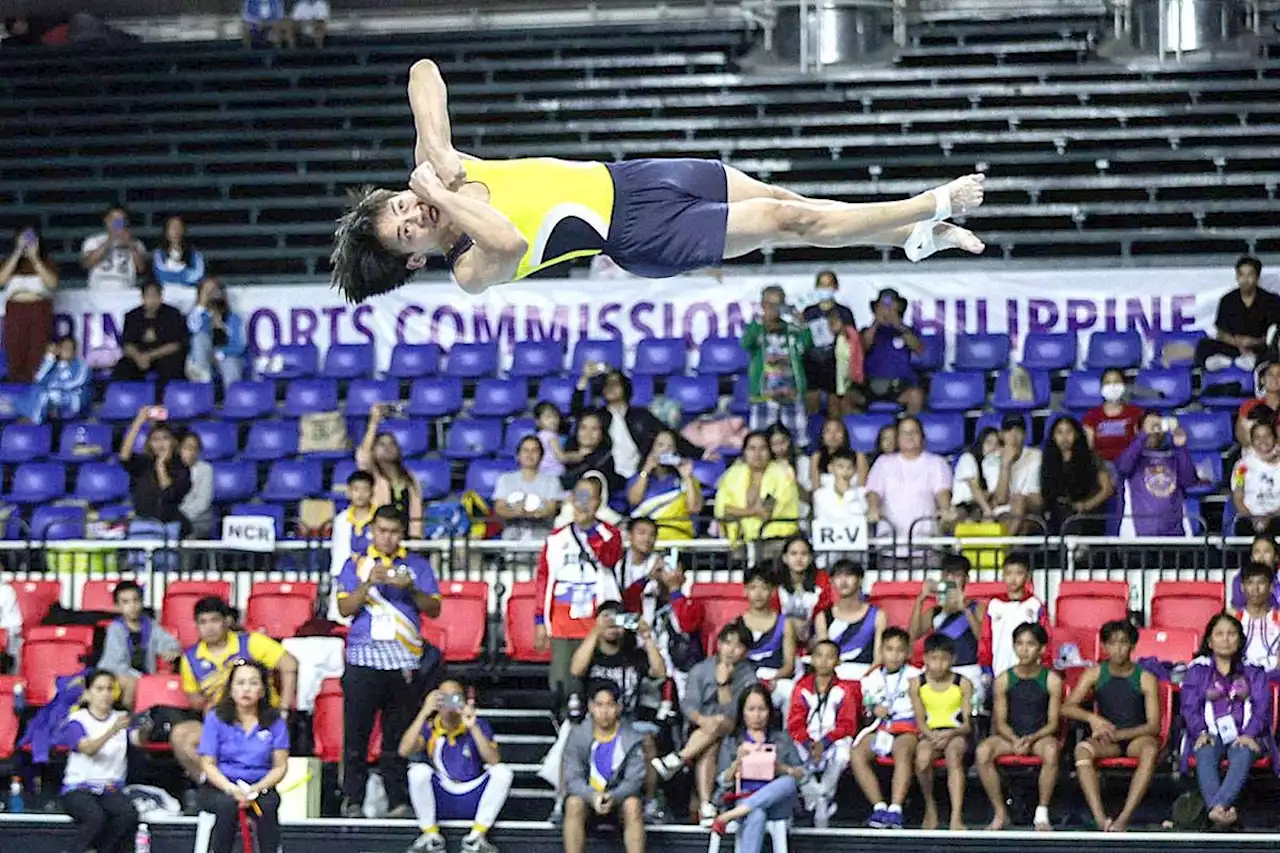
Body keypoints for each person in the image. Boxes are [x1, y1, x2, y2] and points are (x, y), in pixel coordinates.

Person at [330, 61, 986, 300]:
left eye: (399, 205)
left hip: (639, 177)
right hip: (641, 235)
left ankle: (912, 234)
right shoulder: (469, 268)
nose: (413, 210)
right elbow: (502, 236)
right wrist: (445, 186)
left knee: (790, 201)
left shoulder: (442, 166)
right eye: (406, 228)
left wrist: (440, 149)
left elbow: (423, 71)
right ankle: (931, 201)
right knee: (792, 224)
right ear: (414, 255)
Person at [336, 505, 443, 819]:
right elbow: (344, 609)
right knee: (356, 734)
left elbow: (434, 609)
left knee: (397, 736)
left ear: (402, 533)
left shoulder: (417, 565)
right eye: (382, 530)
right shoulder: (355, 564)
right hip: (362, 660)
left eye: (394, 531)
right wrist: (368, 584)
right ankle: (352, 799)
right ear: (372, 530)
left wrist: (410, 588)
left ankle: (398, 799)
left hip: (403, 661)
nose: (387, 537)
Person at [171, 598, 298, 806]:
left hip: (260, 720)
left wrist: (283, 708)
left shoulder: (251, 642)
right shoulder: (191, 658)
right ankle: (209, 787)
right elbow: (195, 703)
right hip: (224, 723)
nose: (209, 627)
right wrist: (219, 686)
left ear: (226, 621)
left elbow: (289, 664)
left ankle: (251, 789)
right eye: (203, 622)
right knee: (181, 736)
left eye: (214, 620)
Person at [533, 475, 624, 712]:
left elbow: (610, 557)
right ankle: (564, 729)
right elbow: (544, 579)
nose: (581, 503)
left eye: (588, 497)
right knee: (562, 681)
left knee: (596, 680)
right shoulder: (555, 538)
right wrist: (540, 620)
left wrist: (589, 529)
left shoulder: (609, 534)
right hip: (563, 619)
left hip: (596, 619)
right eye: (578, 496)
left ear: (597, 502)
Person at [1061, 620, 1161, 832]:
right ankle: (1100, 818)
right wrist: (1092, 719)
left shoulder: (1145, 678)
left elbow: (1153, 726)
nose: (1118, 648)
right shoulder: (1095, 673)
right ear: (1104, 647)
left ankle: (1124, 817)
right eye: (1112, 643)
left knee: (1150, 750)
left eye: (1124, 642)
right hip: (1108, 740)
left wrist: (1122, 734)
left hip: (1136, 738)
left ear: (1133, 646)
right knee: (1082, 750)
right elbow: (1067, 708)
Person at [652, 622, 756, 824]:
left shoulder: (748, 676)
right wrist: (703, 720)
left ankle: (677, 759)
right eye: (727, 643)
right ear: (718, 644)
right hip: (698, 730)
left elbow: (736, 715)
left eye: (738, 646)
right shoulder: (700, 669)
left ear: (745, 651)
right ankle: (706, 805)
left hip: (734, 730)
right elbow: (688, 704)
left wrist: (723, 684)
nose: (731, 650)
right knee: (711, 743)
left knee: (719, 724)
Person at [1179, 613, 1276, 829]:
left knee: (1243, 750)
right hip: (1208, 732)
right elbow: (1189, 706)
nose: (1225, 639)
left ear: (1240, 640)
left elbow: (1262, 707)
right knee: (1205, 749)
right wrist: (1200, 731)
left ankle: (1216, 808)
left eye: (1231, 634)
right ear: (1210, 641)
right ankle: (1222, 810)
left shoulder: (1254, 670)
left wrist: (1250, 734)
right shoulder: (1199, 670)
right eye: (1220, 634)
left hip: (1247, 734)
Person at [400, 680, 512, 853]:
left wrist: (473, 727)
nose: (450, 703)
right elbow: (404, 751)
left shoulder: (478, 724)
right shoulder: (430, 727)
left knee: (503, 772)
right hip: (442, 795)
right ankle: (431, 837)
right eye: (444, 698)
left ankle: (476, 838)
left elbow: (494, 760)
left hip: (472, 794)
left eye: (455, 697)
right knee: (417, 771)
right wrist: (424, 712)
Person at [974, 622, 1062, 831]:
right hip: (1010, 737)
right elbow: (1000, 721)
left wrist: (1031, 739)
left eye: (1030, 644)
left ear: (1041, 649)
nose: (1024, 649)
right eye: (1019, 644)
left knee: (1051, 751)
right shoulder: (1004, 679)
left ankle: (1042, 813)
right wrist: (1014, 739)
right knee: (983, 751)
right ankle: (1000, 813)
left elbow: (1053, 723)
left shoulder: (1051, 680)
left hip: (1039, 737)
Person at [196, 660, 289, 853]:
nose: (246, 689)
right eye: (240, 683)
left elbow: (280, 766)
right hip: (220, 786)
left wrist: (256, 788)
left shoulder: (275, 721)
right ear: (230, 689)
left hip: (259, 787)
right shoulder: (216, 718)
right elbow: (208, 764)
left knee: (268, 807)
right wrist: (231, 789)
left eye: (253, 683)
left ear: (263, 690)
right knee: (227, 806)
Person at [56, 669, 143, 853]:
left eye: (110, 689)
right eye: (99, 689)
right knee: (95, 817)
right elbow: (87, 749)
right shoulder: (76, 721)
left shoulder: (122, 719)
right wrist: (112, 730)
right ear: (87, 694)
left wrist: (148, 727)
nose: (105, 694)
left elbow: (137, 739)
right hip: (79, 789)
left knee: (128, 815)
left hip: (110, 789)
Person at [710, 684, 804, 847]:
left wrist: (781, 768)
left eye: (762, 709)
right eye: (751, 709)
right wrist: (736, 764)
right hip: (742, 796)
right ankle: (742, 809)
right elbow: (721, 780)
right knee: (757, 813)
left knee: (788, 782)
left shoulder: (782, 739)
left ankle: (731, 815)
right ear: (743, 712)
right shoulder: (733, 741)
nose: (757, 715)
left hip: (776, 805)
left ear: (770, 711)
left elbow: (802, 775)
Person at [573, 368, 702, 482]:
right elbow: (577, 412)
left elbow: (668, 433)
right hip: (607, 473)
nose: (610, 388)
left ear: (625, 388)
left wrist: (701, 454)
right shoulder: (599, 416)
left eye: (615, 384)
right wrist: (584, 378)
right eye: (607, 385)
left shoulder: (641, 415)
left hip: (638, 473)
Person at [562, 682, 647, 853]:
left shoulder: (632, 738)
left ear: (619, 707)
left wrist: (613, 797)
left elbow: (634, 780)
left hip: (619, 799)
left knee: (633, 805)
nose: (604, 711)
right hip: (587, 798)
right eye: (599, 705)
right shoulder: (577, 736)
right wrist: (592, 796)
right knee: (573, 803)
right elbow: (572, 777)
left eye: (610, 705)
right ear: (591, 707)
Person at [850, 627, 920, 829]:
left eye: (900, 650)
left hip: (907, 727)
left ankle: (896, 808)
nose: (895, 655)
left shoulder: (916, 675)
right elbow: (866, 710)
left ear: (907, 653)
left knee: (902, 750)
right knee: (857, 753)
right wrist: (873, 710)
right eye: (889, 649)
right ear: (881, 651)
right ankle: (879, 806)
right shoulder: (870, 679)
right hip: (880, 728)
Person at [785, 640, 857, 827]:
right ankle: (816, 799)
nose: (824, 661)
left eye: (830, 656)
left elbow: (847, 725)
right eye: (819, 655)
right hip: (805, 739)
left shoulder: (843, 690)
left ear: (838, 661)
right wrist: (809, 743)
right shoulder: (801, 688)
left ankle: (823, 795)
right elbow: (794, 723)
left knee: (842, 756)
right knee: (791, 755)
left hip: (833, 739)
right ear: (812, 659)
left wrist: (825, 742)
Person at [909, 633, 973, 830]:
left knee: (953, 755)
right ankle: (930, 807)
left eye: (944, 659)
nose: (938, 665)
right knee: (922, 760)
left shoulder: (962, 683)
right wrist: (932, 736)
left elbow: (967, 724)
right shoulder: (916, 684)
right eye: (934, 659)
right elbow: (920, 721)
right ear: (925, 659)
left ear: (953, 660)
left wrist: (950, 734)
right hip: (930, 733)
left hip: (956, 734)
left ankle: (956, 816)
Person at [742, 285, 813, 443]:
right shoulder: (756, 328)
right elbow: (745, 344)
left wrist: (802, 324)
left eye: (779, 304)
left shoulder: (791, 329)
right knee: (760, 440)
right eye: (771, 304)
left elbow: (807, 345)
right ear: (763, 305)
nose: (775, 309)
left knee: (797, 439)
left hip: (790, 394)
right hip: (764, 395)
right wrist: (762, 323)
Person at [865, 416, 956, 537]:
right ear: (897, 438)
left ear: (922, 436)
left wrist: (945, 510)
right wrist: (873, 508)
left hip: (925, 539)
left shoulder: (936, 463)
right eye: (904, 432)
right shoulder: (883, 463)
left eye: (914, 432)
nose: (909, 436)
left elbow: (942, 491)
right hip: (889, 540)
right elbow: (874, 492)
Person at [909, 553, 983, 701]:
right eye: (946, 575)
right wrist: (920, 600)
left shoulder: (976, 608)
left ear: (966, 579)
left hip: (967, 670)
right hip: (938, 672)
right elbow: (913, 634)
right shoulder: (934, 612)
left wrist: (965, 610)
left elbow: (982, 637)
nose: (950, 579)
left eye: (956, 575)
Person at [97, 581, 181, 708]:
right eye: (125, 602)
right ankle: (127, 719)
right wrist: (142, 679)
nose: (132, 606)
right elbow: (117, 665)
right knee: (131, 683)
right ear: (117, 606)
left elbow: (168, 641)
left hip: (143, 676)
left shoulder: (150, 625)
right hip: (114, 674)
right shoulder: (115, 628)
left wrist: (171, 650)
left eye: (136, 600)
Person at [713, 431, 801, 546]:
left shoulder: (783, 473)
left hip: (776, 539)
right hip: (739, 540)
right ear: (744, 452)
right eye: (752, 449)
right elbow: (722, 511)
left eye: (762, 448)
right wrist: (754, 511)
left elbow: (767, 512)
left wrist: (738, 512)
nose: (757, 454)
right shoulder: (732, 474)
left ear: (770, 451)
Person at [1115, 412, 1196, 536]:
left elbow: (1188, 480)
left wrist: (1181, 447)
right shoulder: (1134, 457)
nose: (1154, 432)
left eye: (1158, 426)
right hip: (1137, 535)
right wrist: (1143, 435)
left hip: (1173, 535)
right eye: (1151, 426)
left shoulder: (1174, 456)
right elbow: (1123, 467)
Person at [1197, 256, 1280, 372]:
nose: (1245, 280)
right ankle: (1225, 361)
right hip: (1233, 345)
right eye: (1241, 275)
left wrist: (1253, 342)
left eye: (1250, 275)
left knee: (1271, 350)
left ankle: (1248, 361)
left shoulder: (1271, 300)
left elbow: (1275, 333)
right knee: (1204, 345)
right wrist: (1238, 344)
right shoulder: (1228, 300)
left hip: (1259, 347)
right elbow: (1221, 332)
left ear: (1257, 277)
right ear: (1237, 276)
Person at [978, 552, 1051, 679]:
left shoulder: (1035, 605)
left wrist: (1046, 665)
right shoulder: (994, 605)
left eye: (1019, 573)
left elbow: (1046, 638)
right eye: (1008, 573)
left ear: (1028, 576)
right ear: (1003, 576)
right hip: (999, 669)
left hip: (1031, 673)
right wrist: (986, 668)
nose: (1013, 578)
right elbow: (985, 638)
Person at [357, 405, 426, 538]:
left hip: (407, 538)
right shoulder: (372, 475)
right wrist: (374, 422)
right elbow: (363, 456)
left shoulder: (409, 477)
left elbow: (416, 511)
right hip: (382, 537)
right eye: (382, 444)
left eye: (392, 444)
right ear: (374, 450)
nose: (388, 448)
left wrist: (416, 538)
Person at [120, 411, 192, 534]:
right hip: (142, 525)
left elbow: (169, 493)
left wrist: (160, 466)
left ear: (173, 442)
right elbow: (124, 456)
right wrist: (139, 420)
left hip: (169, 526)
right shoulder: (143, 463)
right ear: (149, 443)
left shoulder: (181, 468)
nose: (160, 444)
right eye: (155, 439)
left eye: (165, 438)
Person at [1, 225, 58, 381]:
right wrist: (18, 252)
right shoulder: (10, 262)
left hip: (38, 309)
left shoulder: (46, 262)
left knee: (37, 350)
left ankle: (34, 388)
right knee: (14, 349)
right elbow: (1, 280)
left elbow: (52, 283)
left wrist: (34, 257)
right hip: (15, 310)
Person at [626, 428, 703, 541]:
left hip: (679, 539)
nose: (665, 450)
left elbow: (694, 508)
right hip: (646, 540)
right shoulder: (638, 478)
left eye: (670, 446)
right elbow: (634, 500)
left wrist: (687, 477)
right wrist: (646, 470)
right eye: (660, 445)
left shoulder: (687, 479)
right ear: (651, 449)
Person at [112, 280, 189, 392]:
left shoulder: (173, 314)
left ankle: (164, 401)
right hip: (139, 356)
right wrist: (138, 357)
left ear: (161, 297)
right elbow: (127, 344)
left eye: (155, 296)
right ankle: (128, 400)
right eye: (149, 296)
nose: (152, 300)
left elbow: (176, 344)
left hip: (163, 355)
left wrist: (150, 356)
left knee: (172, 366)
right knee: (123, 367)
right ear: (142, 298)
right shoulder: (132, 316)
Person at [1041, 416, 1113, 535]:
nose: (1064, 437)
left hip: (1088, 512)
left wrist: (1086, 505)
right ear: (1053, 437)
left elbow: (1107, 489)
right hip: (1059, 513)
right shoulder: (1048, 461)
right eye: (1060, 432)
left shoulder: (1090, 458)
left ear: (1076, 434)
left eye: (1068, 432)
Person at [814, 559, 885, 681]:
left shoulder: (878, 615)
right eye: (838, 576)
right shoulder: (823, 617)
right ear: (831, 581)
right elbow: (823, 657)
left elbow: (878, 658)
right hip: (833, 676)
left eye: (849, 575)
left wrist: (864, 678)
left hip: (866, 674)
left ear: (860, 580)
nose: (843, 581)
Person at [738, 567, 798, 708]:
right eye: (753, 587)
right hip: (745, 679)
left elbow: (789, 666)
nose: (758, 594)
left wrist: (772, 679)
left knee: (791, 692)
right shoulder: (736, 624)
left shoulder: (785, 624)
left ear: (772, 591)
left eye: (764, 588)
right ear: (745, 590)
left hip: (775, 679)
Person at [862, 288, 926, 413]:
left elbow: (919, 349)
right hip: (871, 386)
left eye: (892, 306)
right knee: (847, 399)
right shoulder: (868, 331)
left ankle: (908, 429)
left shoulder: (908, 331)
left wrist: (899, 325)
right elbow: (863, 346)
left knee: (916, 396)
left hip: (899, 387)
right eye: (884, 306)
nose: (888, 310)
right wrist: (876, 322)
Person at [802, 271, 858, 415]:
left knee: (835, 403)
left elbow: (853, 342)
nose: (825, 289)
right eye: (822, 285)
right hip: (812, 362)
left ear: (835, 287)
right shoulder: (809, 312)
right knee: (811, 401)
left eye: (829, 285)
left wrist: (841, 330)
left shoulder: (844, 312)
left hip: (835, 364)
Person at [491, 435, 564, 541]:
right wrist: (515, 513)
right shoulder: (505, 479)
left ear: (541, 456)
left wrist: (530, 513)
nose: (529, 455)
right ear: (518, 455)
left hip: (542, 536)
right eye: (525, 450)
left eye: (534, 451)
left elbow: (551, 509)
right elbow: (499, 508)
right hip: (512, 536)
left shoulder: (552, 481)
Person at [186, 278, 247, 386]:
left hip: (225, 355)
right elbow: (193, 328)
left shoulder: (234, 318)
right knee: (199, 338)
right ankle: (202, 389)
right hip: (202, 357)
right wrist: (202, 305)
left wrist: (219, 353)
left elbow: (239, 346)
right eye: (207, 291)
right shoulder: (199, 316)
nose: (211, 295)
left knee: (230, 364)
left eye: (214, 291)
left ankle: (233, 399)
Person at [19, 336, 90, 424]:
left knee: (43, 396)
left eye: (69, 348)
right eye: (63, 348)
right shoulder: (54, 365)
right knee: (33, 392)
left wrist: (53, 385)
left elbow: (78, 382)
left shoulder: (81, 364)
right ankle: (33, 420)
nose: (66, 350)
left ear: (74, 351)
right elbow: (38, 379)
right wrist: (49, 359)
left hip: (74, 397)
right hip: (53, 397)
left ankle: (34, 423)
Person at [772, 535, 832, 637]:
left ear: (810, 558)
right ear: (785, 558)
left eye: (804, 554)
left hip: (814, 634)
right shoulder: (775, 583)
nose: (799, 558)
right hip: (782, 636)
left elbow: (824, 612)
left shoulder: (822, 581)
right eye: (793, 554)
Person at [1082, 369, 1145, 464]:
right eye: (1107, 382)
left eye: (1116, 382)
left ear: (1124, 385)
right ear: (1101, 387)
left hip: (1130, 464)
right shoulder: (1091, 415)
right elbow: (1088, 448)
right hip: (1101, 466)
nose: (1112, 386)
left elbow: (1140, 444)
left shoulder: (1135, 412)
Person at [81, 206, 147, 291]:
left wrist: (129, 244)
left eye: (121, 220)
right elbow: (87, 264)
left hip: (125, 289)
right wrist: (109, 241)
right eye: (113, 219)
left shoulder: (136, 243)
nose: (117, 223)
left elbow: (141, 268)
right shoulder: (94, 241)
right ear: (106, 220)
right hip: (98, 289)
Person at [1232, 421, 1280, 535]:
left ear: (1274, 438)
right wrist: (1251, 517)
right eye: (1257, 437)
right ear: (1252, 441)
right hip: (1250, 518)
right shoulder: (1242, 466)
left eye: (1267, 436)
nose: (1262, 440)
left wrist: (1270, 517)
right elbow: (1238, 496)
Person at [558, 409, 622, 494]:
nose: (588, 433)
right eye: (583, 427)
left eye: (594, 429)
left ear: (602, 433)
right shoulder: (563, 455)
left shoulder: (605, 460)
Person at [330, 470, 375, 579]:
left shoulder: (379, 518)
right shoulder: (341, 520)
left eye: (365, 489)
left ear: (372, 491)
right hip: (344, 576)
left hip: (373, 576)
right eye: (356, 489)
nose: (360, 494)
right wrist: (337, 573)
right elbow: (338, 550)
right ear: (349, 492)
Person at [1235, 561, 1280, 671]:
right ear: (1242, 587)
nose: (1255, 588)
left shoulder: (1278, 618)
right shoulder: (1234, 619)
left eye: (1261, 583)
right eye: (1250, 583)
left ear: (1271, 588)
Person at [952, 427, 1001, 520]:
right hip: (963, 507)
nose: (993, 447)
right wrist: (987, 510)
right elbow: (975, 489)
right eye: (989, 442)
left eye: (997, 444)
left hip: (980, 507)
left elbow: (991, 493)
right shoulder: (967, 458)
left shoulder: (991, 465)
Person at [151, 215, 205, 287]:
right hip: (166, 291)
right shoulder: (158, 254)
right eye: (172, 227)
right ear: (166, 231)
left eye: (178, 227)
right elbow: (161, 276)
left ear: (183, 230)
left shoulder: (195, 254)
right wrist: (183, 274)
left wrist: (178, 275)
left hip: (188, 291)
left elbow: (198, 275)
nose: (176, 231)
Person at [178, 432, 214, 540]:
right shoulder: (168, 468)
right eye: (186, 447)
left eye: (194, 448)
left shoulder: (205, 469)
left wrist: (180, 518)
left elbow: (203, 502)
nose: (190, 452)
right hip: (172, 518)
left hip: (197, 518)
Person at [1237, 361, 1280, 450]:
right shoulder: (1250, 405)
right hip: (1255, 454)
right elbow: (1242, 435)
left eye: (1279, 375)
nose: (1275, 378)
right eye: (1270, 374)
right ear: (1262, 380)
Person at [534, 401, 568, 478]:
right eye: (548, 417)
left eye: (555, 416)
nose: (553, 420)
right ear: (538, 421)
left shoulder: (538, 436)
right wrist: (578, 456)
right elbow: (561, 457)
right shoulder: (551, 436)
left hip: (541, 473)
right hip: (555, 474)